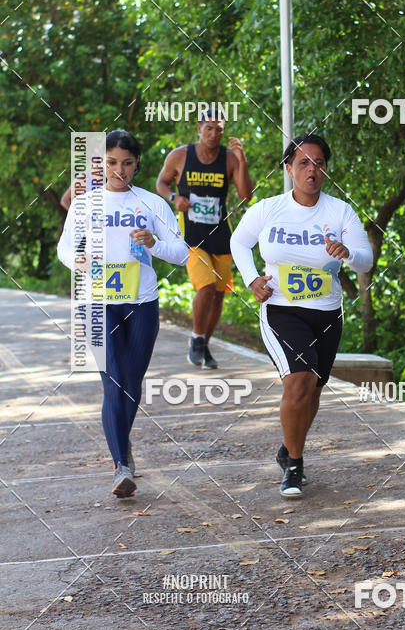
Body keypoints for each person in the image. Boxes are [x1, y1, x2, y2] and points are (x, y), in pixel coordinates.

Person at [230, 133, 373, 496]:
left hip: (326, 312)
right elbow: (239, 242)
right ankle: (294, 466)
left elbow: (365, 259)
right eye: (304, 163)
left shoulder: (340, 211)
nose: (312, 169)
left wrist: (347, 253)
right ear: (289, 168)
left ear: (326, 169)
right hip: (281, 309)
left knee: (312, 392)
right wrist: (251, 280)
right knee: (298, 380)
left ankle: (288, 448)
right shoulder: (268, 208)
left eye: (319, 163)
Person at [57, 130, 188, 497]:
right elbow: (64, 248)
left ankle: (121, 445)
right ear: (102, 163)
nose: (120, 170)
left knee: (130, 384)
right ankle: (121, 466)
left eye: (127, 163)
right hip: (96, 302)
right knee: (113, 380)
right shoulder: (86, 204)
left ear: (136, 165)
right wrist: (77, 260)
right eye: (112, 162)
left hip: (141, 302)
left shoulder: (151, 204)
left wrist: (155, 243)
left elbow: (182, 253)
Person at [156, 109, 253, 369]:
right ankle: (197, 337)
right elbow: (162, 183)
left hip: (221, 233)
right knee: (207, 286)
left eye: (219, 129)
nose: (213, 134)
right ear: (198, 128)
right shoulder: (180, 156)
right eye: (208, 128)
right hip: (191, 234)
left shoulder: (230, 159)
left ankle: (203, 345)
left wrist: (242, 161)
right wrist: (174, 198)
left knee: (219, 295)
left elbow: (246, 196)